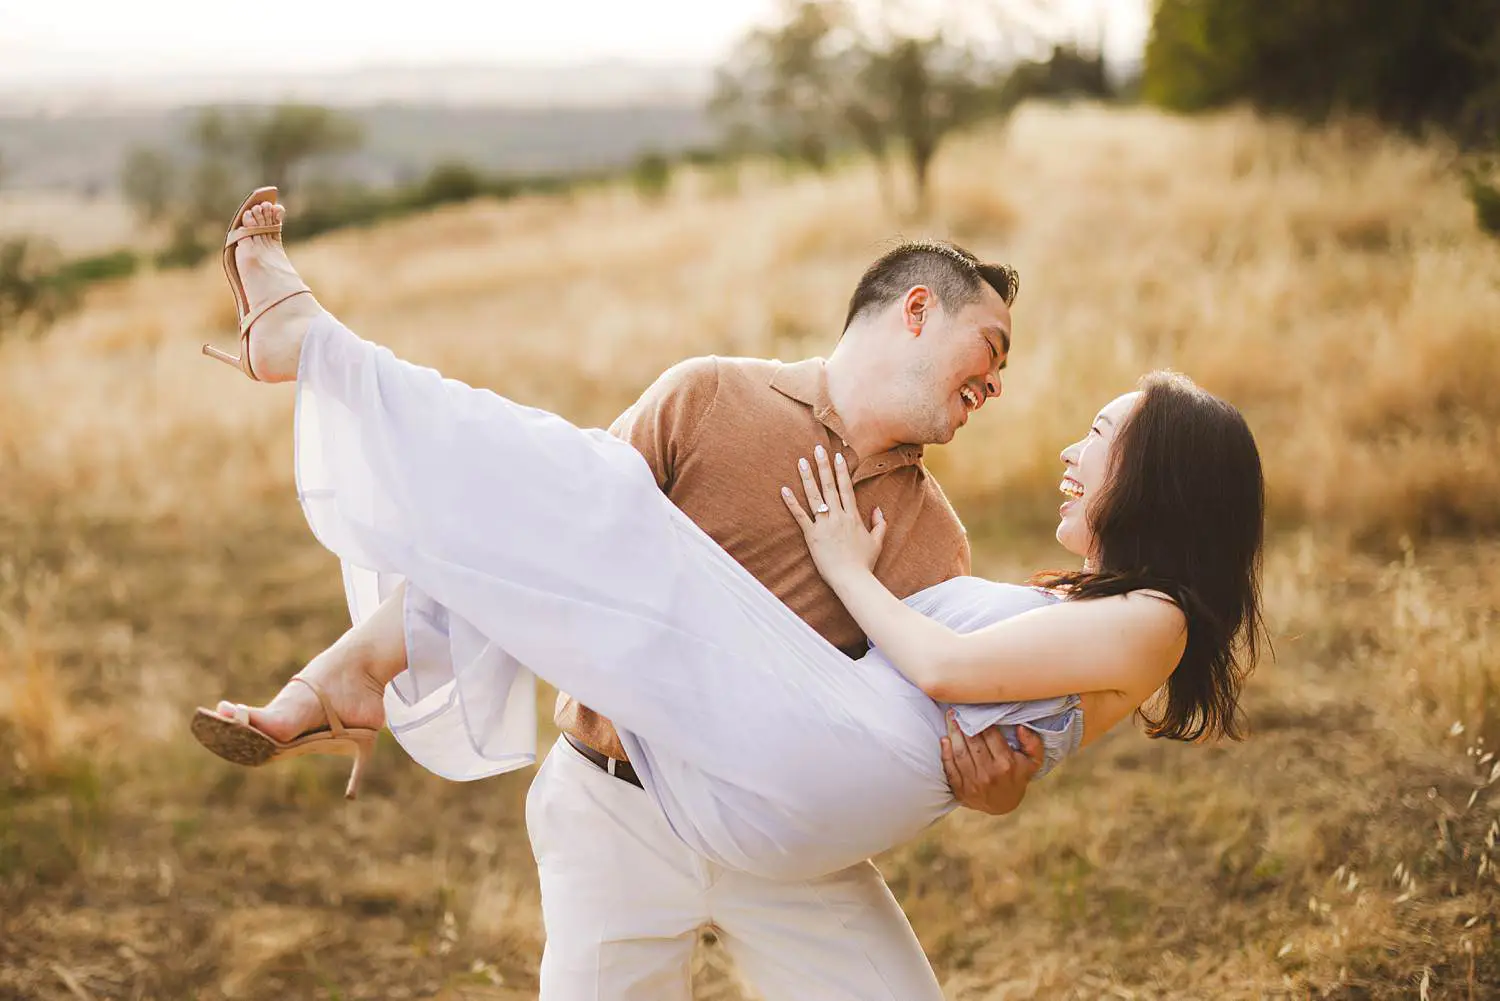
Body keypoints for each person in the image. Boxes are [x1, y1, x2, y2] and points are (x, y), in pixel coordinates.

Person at [194, 191, 1265, 1000]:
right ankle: (343, 657)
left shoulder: (935, 535)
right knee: (590, 499)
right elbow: (534, 544)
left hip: (786, 836)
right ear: (918, 311)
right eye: (989, 351)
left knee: (591, 499)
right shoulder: (713, 395)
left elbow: (952, 714)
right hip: (620, 803)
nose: (999, 385)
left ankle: (321, 418)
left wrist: (995, 783)